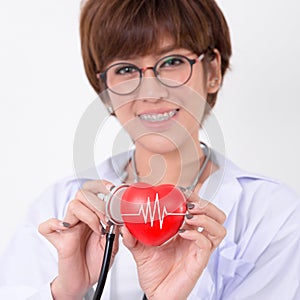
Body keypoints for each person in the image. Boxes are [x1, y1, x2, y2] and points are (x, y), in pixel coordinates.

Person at [1, 0, 300, 299]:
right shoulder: (57, 208)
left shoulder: (273, 216)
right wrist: (66, 291)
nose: (151, 92)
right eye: (126, 69)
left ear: (212, 71)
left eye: (171, 62)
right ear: (104, 88)